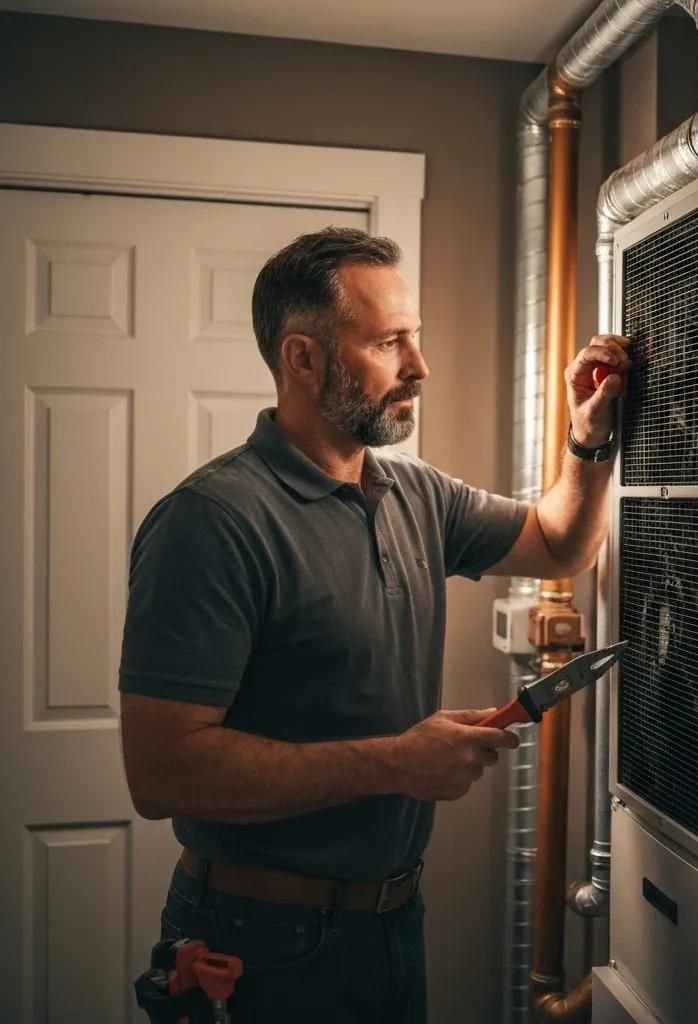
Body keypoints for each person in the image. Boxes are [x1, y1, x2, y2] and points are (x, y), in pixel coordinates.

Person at [118, 227, 631, 1023]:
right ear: (303, 360)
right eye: (390, 343)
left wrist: (587, 441)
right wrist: (395, 762)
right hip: (257, 938)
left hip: (390, 921)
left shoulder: (415, 494)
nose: (419, 368)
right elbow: (160, 774)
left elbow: (560, 542)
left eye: (414, 339)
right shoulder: (211, 522)